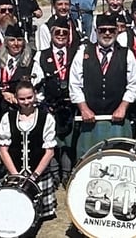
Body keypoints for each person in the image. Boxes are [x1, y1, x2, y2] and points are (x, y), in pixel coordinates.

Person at [69, 14, 136, 155]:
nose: (107, 33)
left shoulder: (127, 54)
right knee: (88, 163)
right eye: (103, 30)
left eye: (111, 30)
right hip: (90, 121)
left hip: (118, 121)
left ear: (117, 31)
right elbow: (74, 84)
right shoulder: (83, 53)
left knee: (119, 160)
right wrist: (83, 109)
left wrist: (123, 107)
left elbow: (133, 84)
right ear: (96, 31)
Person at [0, 80, 58, 225]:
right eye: (22, 99)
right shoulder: (8, 118)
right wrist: (16, 175)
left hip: (39, 176)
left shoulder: (46, 118)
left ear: (35, 96)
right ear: (16, 99)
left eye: (29, 97)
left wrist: (34, 176)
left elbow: (49, 152)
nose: (26, 102)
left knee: (38, 218)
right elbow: (3, 150)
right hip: (15, 175)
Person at [34, 16, 80, 187]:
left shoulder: (76, 54)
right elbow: (36, 80)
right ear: (51, 34)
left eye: (64, 33)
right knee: (51, 140)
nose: (61, 35)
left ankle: (66, 174)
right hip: (49, 105)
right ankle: (53, 175)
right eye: (57, 32)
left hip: (70, 105)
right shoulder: (41, 55)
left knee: (68, 141)